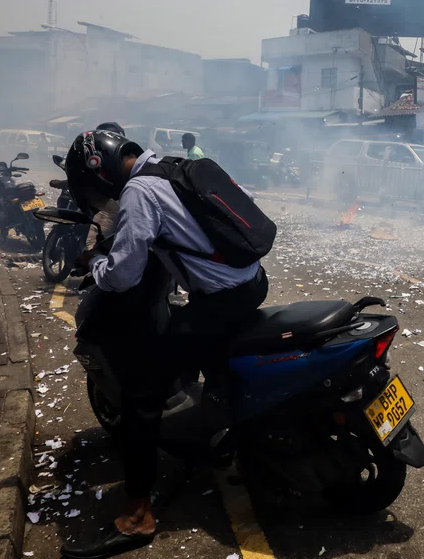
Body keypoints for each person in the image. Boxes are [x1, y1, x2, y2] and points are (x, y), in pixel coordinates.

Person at [60, 129, 268, 559]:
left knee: (141, 393)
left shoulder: (139, 192)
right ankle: (224, 430)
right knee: (199, 346)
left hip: (221, 300)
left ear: (100, 176)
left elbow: (124, 275)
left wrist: (97, 260)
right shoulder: (178, 168)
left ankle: (138, 517)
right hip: (252, 281)